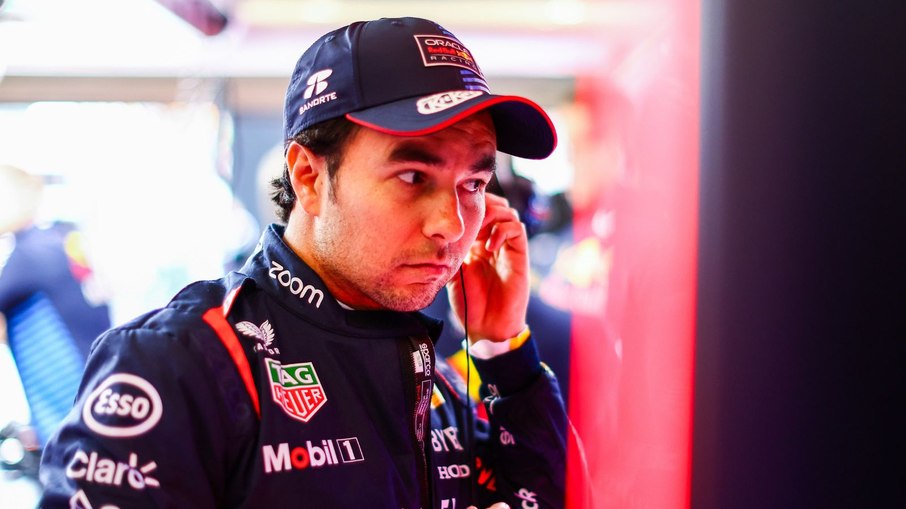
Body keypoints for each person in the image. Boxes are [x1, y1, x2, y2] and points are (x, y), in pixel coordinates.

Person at [38, 17, 568, 509]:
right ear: (309, 178)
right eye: (412, 177)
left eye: (473, 184)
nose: (452, 224)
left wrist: (504, 350)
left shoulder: (432, 373)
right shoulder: (177, 363)